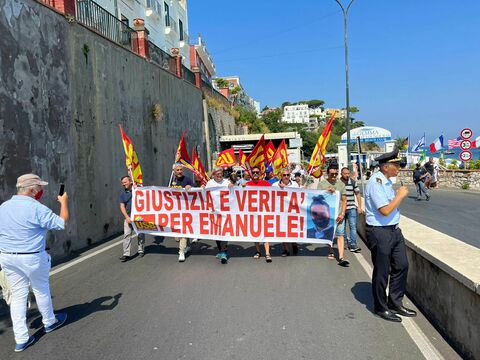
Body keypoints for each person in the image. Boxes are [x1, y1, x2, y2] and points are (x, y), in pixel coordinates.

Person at [0, 174, 68, 352]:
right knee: (41, 290)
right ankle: (50, 322)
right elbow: (62, 222)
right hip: (32, 257)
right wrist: (63, 202)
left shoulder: (4, 207)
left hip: (8, 257)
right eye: (39, 187)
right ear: (32, 190)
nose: (41, 191)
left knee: (18, 296)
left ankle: (21, 339)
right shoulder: (37, 208)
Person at [365, 148, 416, 322]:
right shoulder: (375, 182)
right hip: (380, 231)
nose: (399, 168)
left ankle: (395, 302)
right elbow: (385, 210)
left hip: (393, 230)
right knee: (382, 271)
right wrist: (400, 195)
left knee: (402, 266)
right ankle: (381, 307)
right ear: (386, 167)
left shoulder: (386, 182)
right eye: (396, 165)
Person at [317, 164, 349, 267]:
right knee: (329, 234)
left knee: (340, 234)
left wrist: (342, 213)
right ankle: (330, 250)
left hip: (339, 214)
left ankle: (341, 257)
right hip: (327, 215)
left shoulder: (341, 185)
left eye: (336, 173)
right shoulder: (322, 184)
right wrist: (326, 192)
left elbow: (344, 201)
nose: (334, 176)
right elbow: (317, 199)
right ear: (327, 173)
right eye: (332, 174)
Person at [205, 167, 234, 264]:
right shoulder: (209, 183)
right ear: (213, 175)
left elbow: (234, 190)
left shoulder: (226, 182)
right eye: (217, 174)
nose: (219, 176)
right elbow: (204, 193)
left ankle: (224, 253)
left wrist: (232, 186)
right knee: (217, 232)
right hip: (214, 212)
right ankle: (221, 250)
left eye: (221, 174)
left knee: (224, 231)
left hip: (225, 212)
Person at [246, 166, 273, 262]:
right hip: (252, 213)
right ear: (251, 174)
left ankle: (267, 253)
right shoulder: (247, 184)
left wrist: (281, 187)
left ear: (261, 173)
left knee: (265, 233)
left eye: (257, 172)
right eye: (253, 172)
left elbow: (275, 194)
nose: (255, 174)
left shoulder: (266, 184)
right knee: (255, 232)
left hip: (264, 212)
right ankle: (258, 251)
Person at [169, 163, 195, 262]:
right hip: (174, 211)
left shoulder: (187, 179)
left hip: (186, 211)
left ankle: (181, 252)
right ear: (174, 172)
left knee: (183, 231)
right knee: (177, 237)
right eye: (178, 170)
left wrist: (190, 187)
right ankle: (187, 246)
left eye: (181, 170)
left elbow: (196, 191)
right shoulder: (171, 181)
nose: (180, 171)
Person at [272, 167, 299, 256]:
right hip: (281, 211)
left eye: (288, 175)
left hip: (292, 211)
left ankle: (294, 243)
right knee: (283, 230)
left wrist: (286, 188)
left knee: (293, 229)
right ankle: (286, 249)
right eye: (284, 175)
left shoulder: (295, 184)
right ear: (281, 176)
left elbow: (298, 195)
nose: (286, 177)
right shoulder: (275, 185)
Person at [119, 175, 145, 262]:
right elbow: (122, 206)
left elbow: (147, 194)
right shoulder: (123, 194)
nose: (123, 184)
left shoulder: (138, 190)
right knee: (127, 235)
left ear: (130, 181)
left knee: (140, 234)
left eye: (125, 182)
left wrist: (137, 188)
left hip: (139, 217)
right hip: (129, 217)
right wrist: (126, 217)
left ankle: (140, 249)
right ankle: (126, 254)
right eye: (122, 183)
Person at [340, 167, 363, 253]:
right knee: (343, 227)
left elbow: (357, 194)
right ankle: (345, 243)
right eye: (345, 174)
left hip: (352, 208)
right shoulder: (338, 183)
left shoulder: (353, 182)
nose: (347, 175)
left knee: (353, 227)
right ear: (341, 174)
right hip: (342, 209)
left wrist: (359, 207)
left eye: (348, 173)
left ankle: (353, 245)